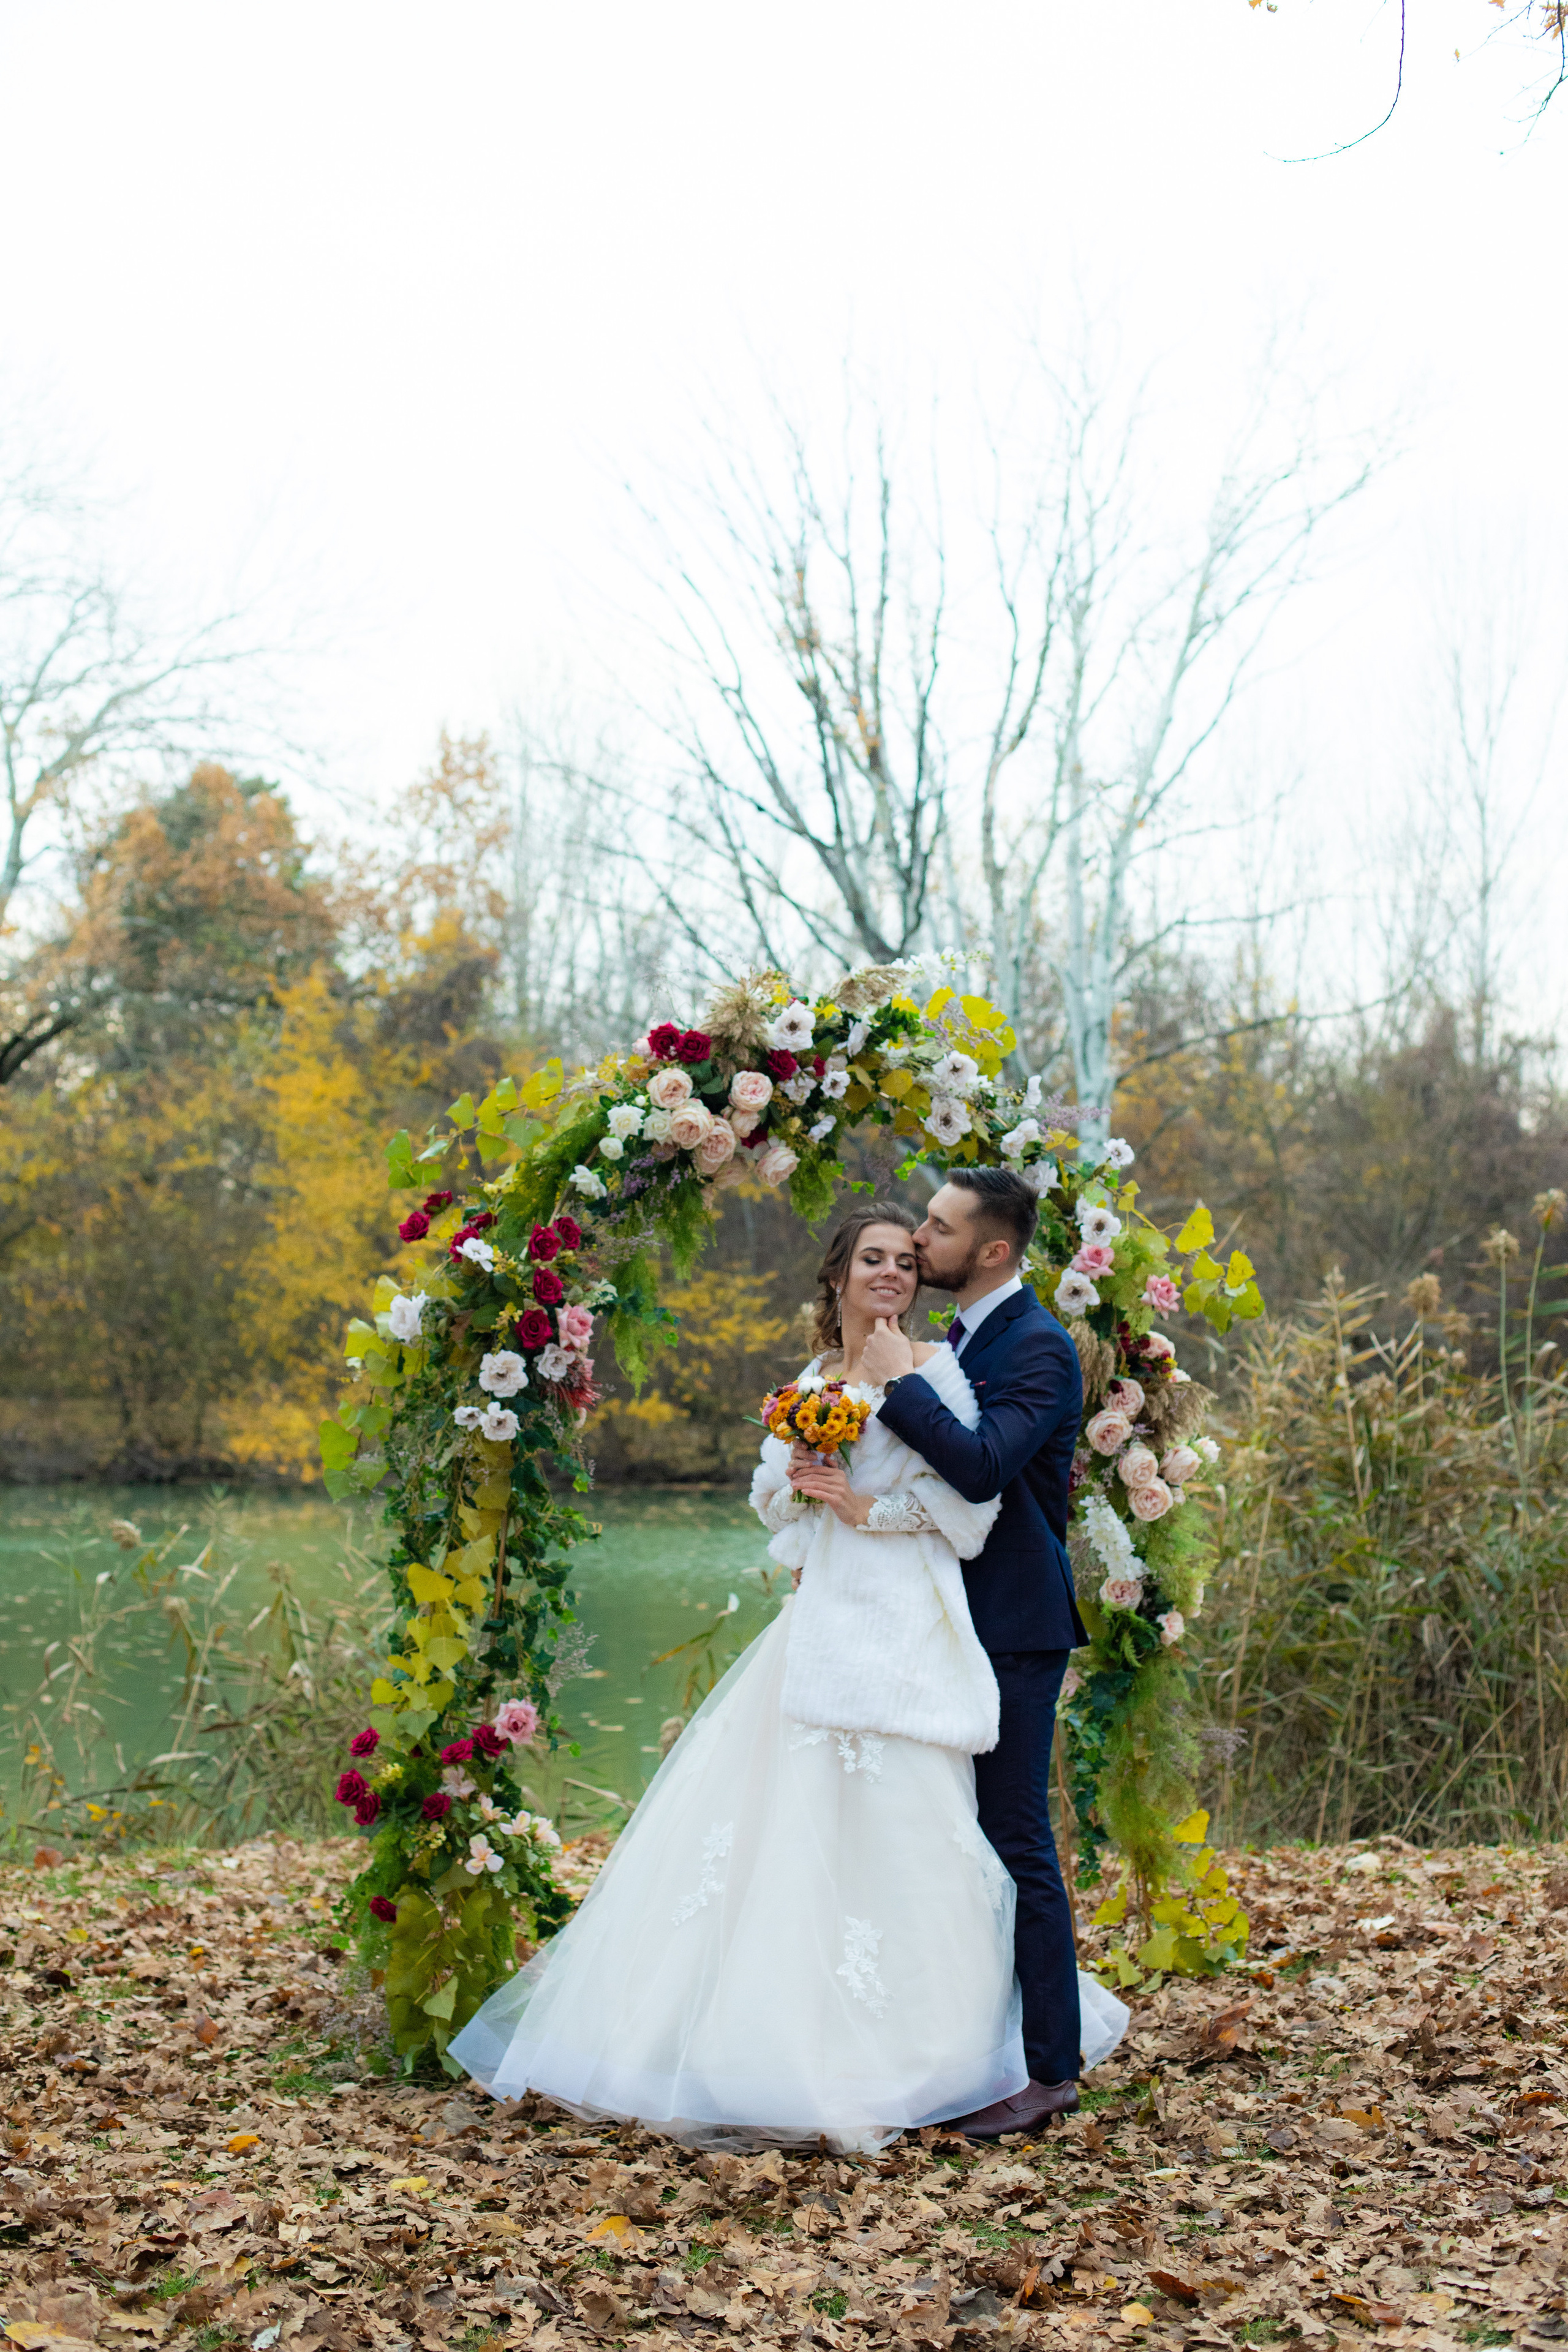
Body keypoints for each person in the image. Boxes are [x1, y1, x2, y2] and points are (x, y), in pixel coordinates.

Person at [448, 1200, 1125, 2149]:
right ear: (838, 1276)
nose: (894, 1270)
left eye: (908, 1257)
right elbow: (773, 1506)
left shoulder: (940, 1367)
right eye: (874, 1258)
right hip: (822, 1622)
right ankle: (766, 2040)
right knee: (784, 1824)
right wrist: (802, 1487)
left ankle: (956, 2052)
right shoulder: (810, 1382)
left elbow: (971, 1509)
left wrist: (859, 1507)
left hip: (910, 1622)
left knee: (929, 1825)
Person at [861, 1165, 1089, 2137]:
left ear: (992, 1251)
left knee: (1015, 1837)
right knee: (943, 1835)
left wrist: (898, 1387)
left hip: (1014, 1626)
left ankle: (1050, 2073)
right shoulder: (957, 1337)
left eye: (939, 1227)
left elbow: (985, 1465)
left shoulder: (1039, 1346)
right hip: (937, 1621)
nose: (919, 1239)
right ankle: (962, 2045)